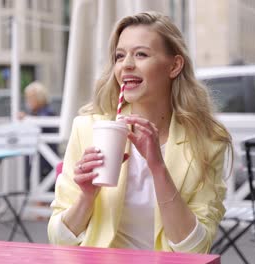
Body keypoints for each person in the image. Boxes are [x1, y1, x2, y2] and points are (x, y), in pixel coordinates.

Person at [48, 11, 232, 253]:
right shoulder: (87, 129)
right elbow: (59, 239)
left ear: (175, 65)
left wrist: (158, 167)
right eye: (119, 56)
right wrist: (87, 197)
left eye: (141, 54)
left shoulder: (207, 141)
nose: (127, 65)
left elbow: (195, 248)